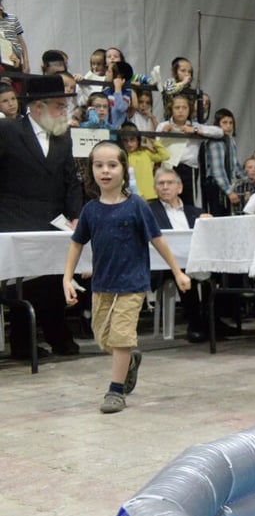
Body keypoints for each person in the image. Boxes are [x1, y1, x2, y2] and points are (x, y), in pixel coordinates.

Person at [63, 142, 191, 413]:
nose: (105, 171)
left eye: (112, 165)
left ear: (124, 169)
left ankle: (116, 391)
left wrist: (178, 271)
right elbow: (76, 244)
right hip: (102, 286)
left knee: (121, 338)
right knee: (104, 339)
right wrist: (66, 278)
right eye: (99, 165)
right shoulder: (90, 210)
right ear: (91, 171)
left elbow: (158, 241)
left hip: (132, 285)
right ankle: (130, 361)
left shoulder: (137, 206)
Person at [0, 74, 84, 359]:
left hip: (54, 219)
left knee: (55, 280)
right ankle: (23, 343)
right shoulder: (8, 131)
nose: (64, 112)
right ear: (38, 107)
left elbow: (71, 180)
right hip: (16, 219)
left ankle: (57, 335)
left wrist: (75, 216)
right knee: (29, 282)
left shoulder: (63, 136)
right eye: (59, 106)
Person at [146, 166, 220, 343]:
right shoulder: (148, 211)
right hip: (164, 263)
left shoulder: (195, 211)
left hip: (194, 258)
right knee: (185, 272)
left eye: (169, 183)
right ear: (155, 188)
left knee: (220, 268)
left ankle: (215, 320)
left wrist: (209, 221)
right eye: (160, 183)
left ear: (179, 188)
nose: (165, 187)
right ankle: (195, 323)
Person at [156, 93, 222, 206]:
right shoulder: (163, 126)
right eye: (177, 107)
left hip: (189, 170)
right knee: (166, 201)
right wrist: (163, 134)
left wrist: (195, 130)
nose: (180, 111)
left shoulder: (194, 125)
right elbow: (155, 146)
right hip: (168, 168)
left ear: (189, 110)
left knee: (188, 203)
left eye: (184, 107)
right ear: (171, 109)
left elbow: (219, 132)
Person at [201, 107, 245, 215]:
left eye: (231, 123)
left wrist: (247, 180)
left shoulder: (230, 140)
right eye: (224, 122)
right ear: (218, 125)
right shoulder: (216, 141)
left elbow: (235, 164)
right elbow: (218, 170)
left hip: (226, 184)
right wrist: (229, 192)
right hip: (216, 187)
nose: (228, 126)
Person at [118, 122, 170, 200]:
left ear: (138, 140)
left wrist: (151, 140)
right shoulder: (120, 157)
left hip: (151, 196)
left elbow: (165, 155)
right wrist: (136, 194)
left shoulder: (145, 152)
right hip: (132, 197)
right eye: (125, 141)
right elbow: (121, 180)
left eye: (132, 140)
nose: (129, 143)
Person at [0, 0, 29, 73]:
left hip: (15, 61)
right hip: (1, 61)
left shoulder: (12, 18)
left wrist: (26, 62)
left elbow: (21, 42)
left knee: (17, 84)